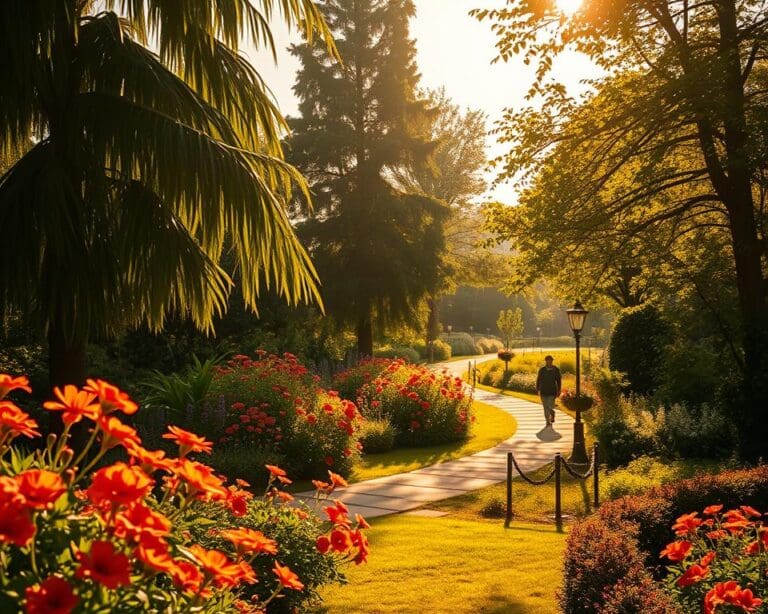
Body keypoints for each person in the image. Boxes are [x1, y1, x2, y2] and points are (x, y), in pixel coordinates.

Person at [536, 355, 561, 428]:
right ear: (546, 361)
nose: (550, 361)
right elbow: (538, 379)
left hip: (552, 391)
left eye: (551, 360)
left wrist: (559, 390)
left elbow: (558, 380)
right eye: (548, 360)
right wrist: (538, 389)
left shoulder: (556, 369)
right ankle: (547, 421)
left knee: (550, 405)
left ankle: (552, 413)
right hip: (543, 391)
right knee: (545, 407)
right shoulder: (542, 370)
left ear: (552, 361)